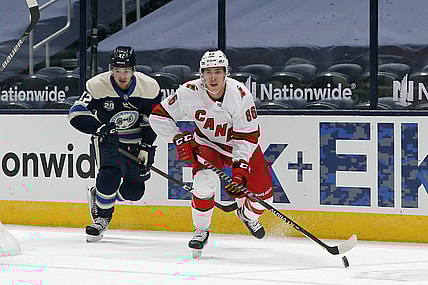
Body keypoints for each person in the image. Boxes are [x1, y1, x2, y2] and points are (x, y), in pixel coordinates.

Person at [149, 50, 273, 254]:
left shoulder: (239, 95)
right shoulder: (188, 91)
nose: (213, 77)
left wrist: (240, 171)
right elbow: (158, 116)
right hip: (208, 145)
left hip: (240, 147)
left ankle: (247, 216)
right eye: (208, 72)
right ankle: (201, 230)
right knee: (203, 184)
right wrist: (177, 138)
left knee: (264, 199)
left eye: (218, 71)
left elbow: (247, 137)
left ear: (226, 73)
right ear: (201, 74)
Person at [68, 46, 160, 242]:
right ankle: (102, 217)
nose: (122, 75)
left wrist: (146, 146)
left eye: (126, 70)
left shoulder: (150, 87)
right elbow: (75, 113)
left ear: (134, 69)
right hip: (110, 142)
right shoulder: (97, 85)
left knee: (134, 192)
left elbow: (154, 119)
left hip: (138, 143)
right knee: (108, 177)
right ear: (111, 69)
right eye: (117, 70)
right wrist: (100, 129)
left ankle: (101, 197)